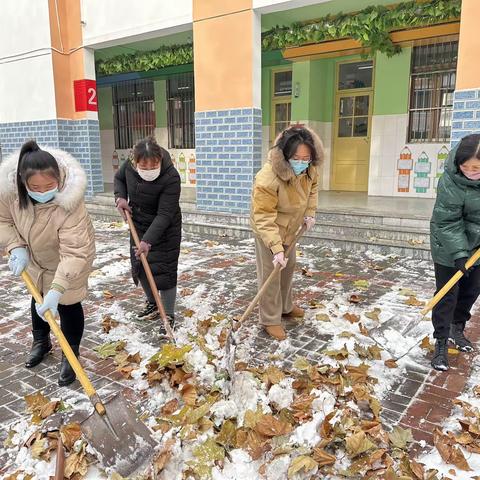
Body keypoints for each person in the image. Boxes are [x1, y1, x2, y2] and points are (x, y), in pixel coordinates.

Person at [0, 140, 95, 386]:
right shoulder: (9, 194)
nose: (42, 192)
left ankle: (70, 352)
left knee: (68, 302)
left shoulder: (70, 203)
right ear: (22, 182)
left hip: (70, 260)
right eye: (34, 187)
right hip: (35, 259)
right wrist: (16, 246)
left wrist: (58, 288)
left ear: (59, 180)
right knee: (39, 297)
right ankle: (41, 341)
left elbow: (74, 252)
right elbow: (3, 221)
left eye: (49, 185)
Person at [250, 126, 323, 341]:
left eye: (306, 158)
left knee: (288, 267)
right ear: (285, 155)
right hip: (268, 229)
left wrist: (309, 213)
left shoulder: (309, 169)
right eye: (296, 158)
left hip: (291, 228)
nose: (301, 162)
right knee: (271, 274)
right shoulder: (267, 178)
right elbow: (263, 216)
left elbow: (313, 189)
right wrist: (275, 248)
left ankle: (285, 307)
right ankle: (270, 319)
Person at [114, 137, 181, 328]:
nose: (149, 169)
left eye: (154, 165)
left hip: (166, 228)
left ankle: (168, 314)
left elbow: (165, 214)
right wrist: (120, 198)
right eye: (144, 166)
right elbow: (119, 179)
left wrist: (148, 241)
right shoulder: (129, 166)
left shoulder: (171, 177)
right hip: (139, 223)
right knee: (140, 265)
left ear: (160, 159)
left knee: (165, 270)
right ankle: (152, 303)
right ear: (135, 162)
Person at [430, 133, 480, 371]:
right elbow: (447, 222)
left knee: (471, 291)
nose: (471, 171)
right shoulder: (450, 181)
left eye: (477, 167)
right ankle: (440, 342)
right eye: (466, 166)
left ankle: (456, 329)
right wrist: (459, 254)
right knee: (447, 295)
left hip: (478, 249)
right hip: (449, 247)